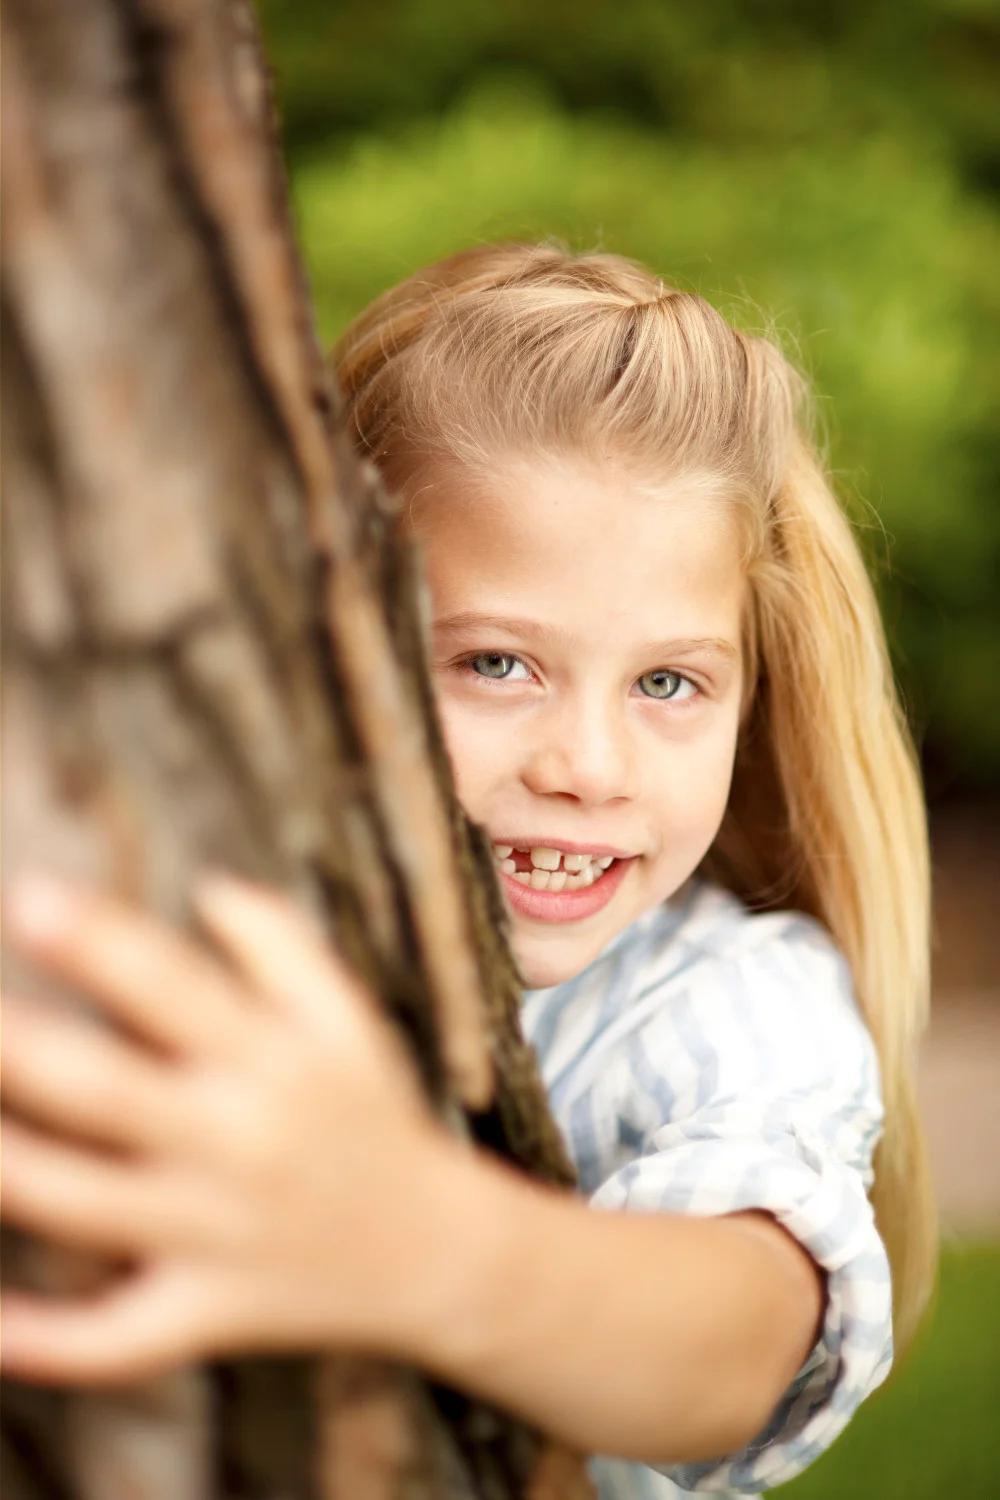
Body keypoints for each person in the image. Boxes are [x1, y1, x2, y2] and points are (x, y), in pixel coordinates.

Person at [0, 245, 937, 1498]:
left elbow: (735, 1334)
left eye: (667, 683)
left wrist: (418, 1239)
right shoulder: (202, 899)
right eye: (497, 663)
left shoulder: (721, 1000)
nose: (588, 766)